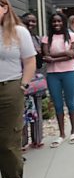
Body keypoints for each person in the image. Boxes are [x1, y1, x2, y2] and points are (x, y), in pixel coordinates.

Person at [0, 0, 36, 178]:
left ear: (5, 8)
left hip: (10, 88)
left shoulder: (18, 32)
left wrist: (23, 85)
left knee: (7, 139)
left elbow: (30, 60)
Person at [42, 13, 74, 148]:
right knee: (57, 104)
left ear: (63, 22)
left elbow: (73, 55)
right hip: (53, 75)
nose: (56, 24)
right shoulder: (46, 38)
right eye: (54, 21)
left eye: (59, 21)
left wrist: (53, 58)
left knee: (71, 103)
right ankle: (61, 134)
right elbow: (45, 55)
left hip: (69, 72)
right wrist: (65, 53)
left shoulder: (72, 36)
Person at [20, 13, 45, 148]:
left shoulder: (37, 39)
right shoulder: (16, 37)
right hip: (20, 79)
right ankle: (23, 142)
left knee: (38, 110)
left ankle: (37, 139)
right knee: (22, 112)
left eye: (34, 21)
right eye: (28, 21)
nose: (31, 24)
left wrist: (38, 53)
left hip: (35, 81)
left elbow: (40, 63)